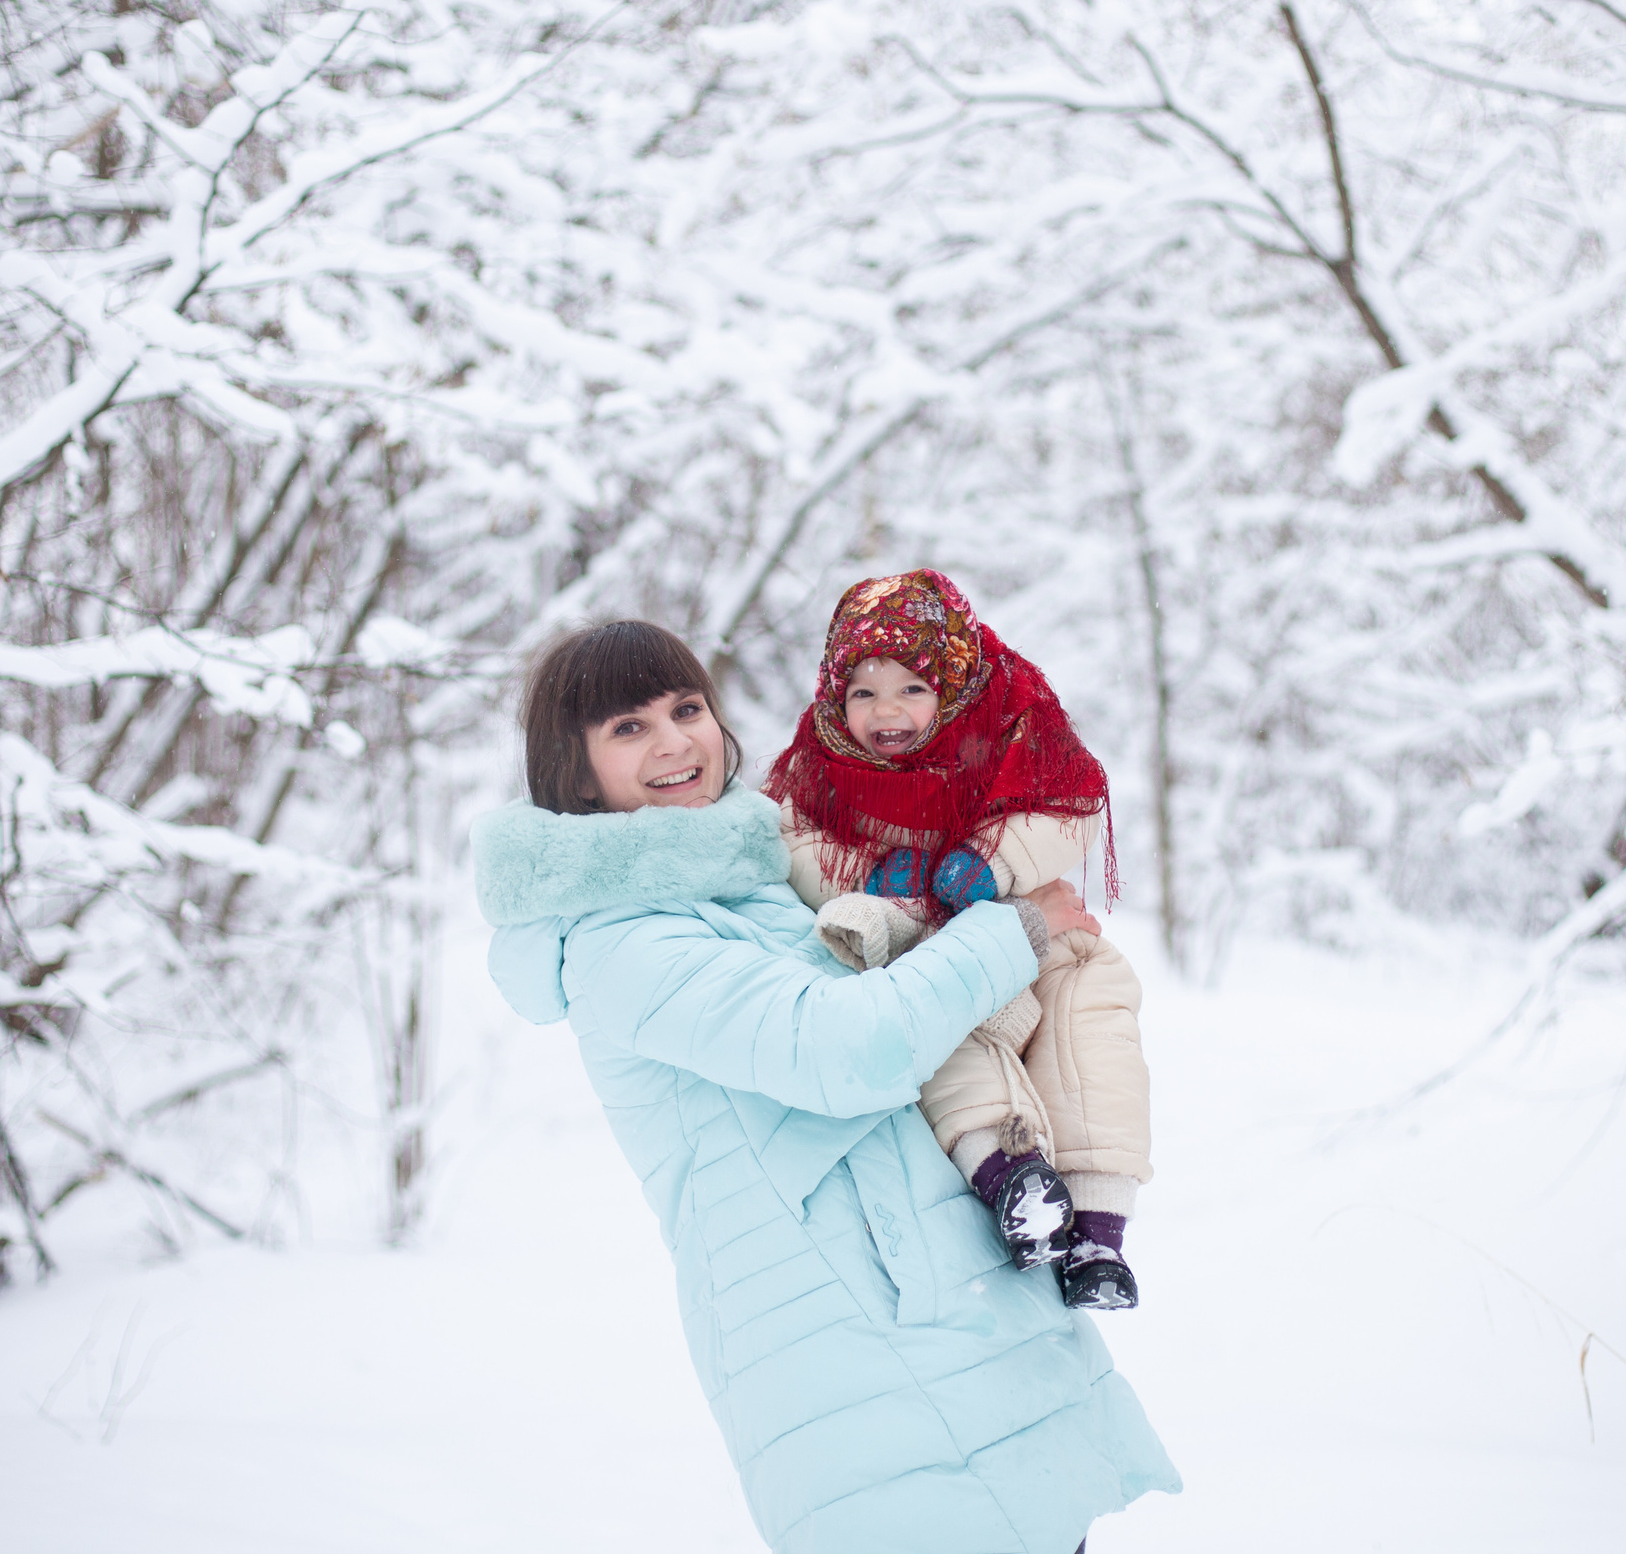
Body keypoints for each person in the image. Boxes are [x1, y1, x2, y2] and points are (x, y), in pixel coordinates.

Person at [471, 619, 1177, 1554]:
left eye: (687, 708)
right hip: (857, 1367)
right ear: (574, 768)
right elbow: (844, 1049)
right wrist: (1012, 931)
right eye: (629, 728)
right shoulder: (619, 942)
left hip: (953, 1328)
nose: (677, 741)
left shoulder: (759, 883)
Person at [763, 571, 1152, 1310]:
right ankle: (1012, 1174)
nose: (887, 713)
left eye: (911, 688)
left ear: (952, 680)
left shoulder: (1010, 730)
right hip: (924, 942)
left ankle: (1099, 1223)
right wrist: (872, 873)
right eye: (864, 694)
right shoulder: (822, 763)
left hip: (1034, 933)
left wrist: (994, 862)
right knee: (941, 1031)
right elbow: (793, 837)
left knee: (1093, 1008)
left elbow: (1065, 811)